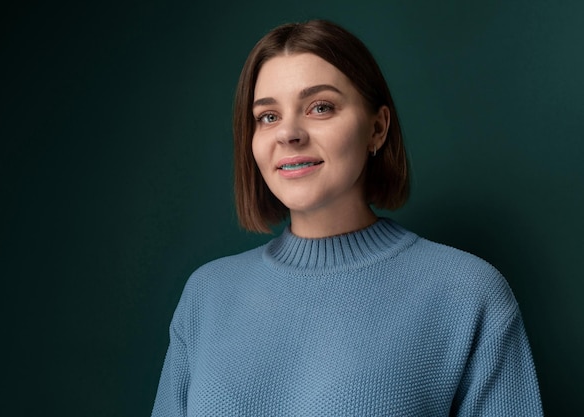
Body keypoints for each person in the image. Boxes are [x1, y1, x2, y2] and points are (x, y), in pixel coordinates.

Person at [151, 20, 543, 416]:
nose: (288, 133)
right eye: (267, 116)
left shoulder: (467, 293)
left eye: (320, 107)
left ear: (377, 128)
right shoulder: (207, 295)